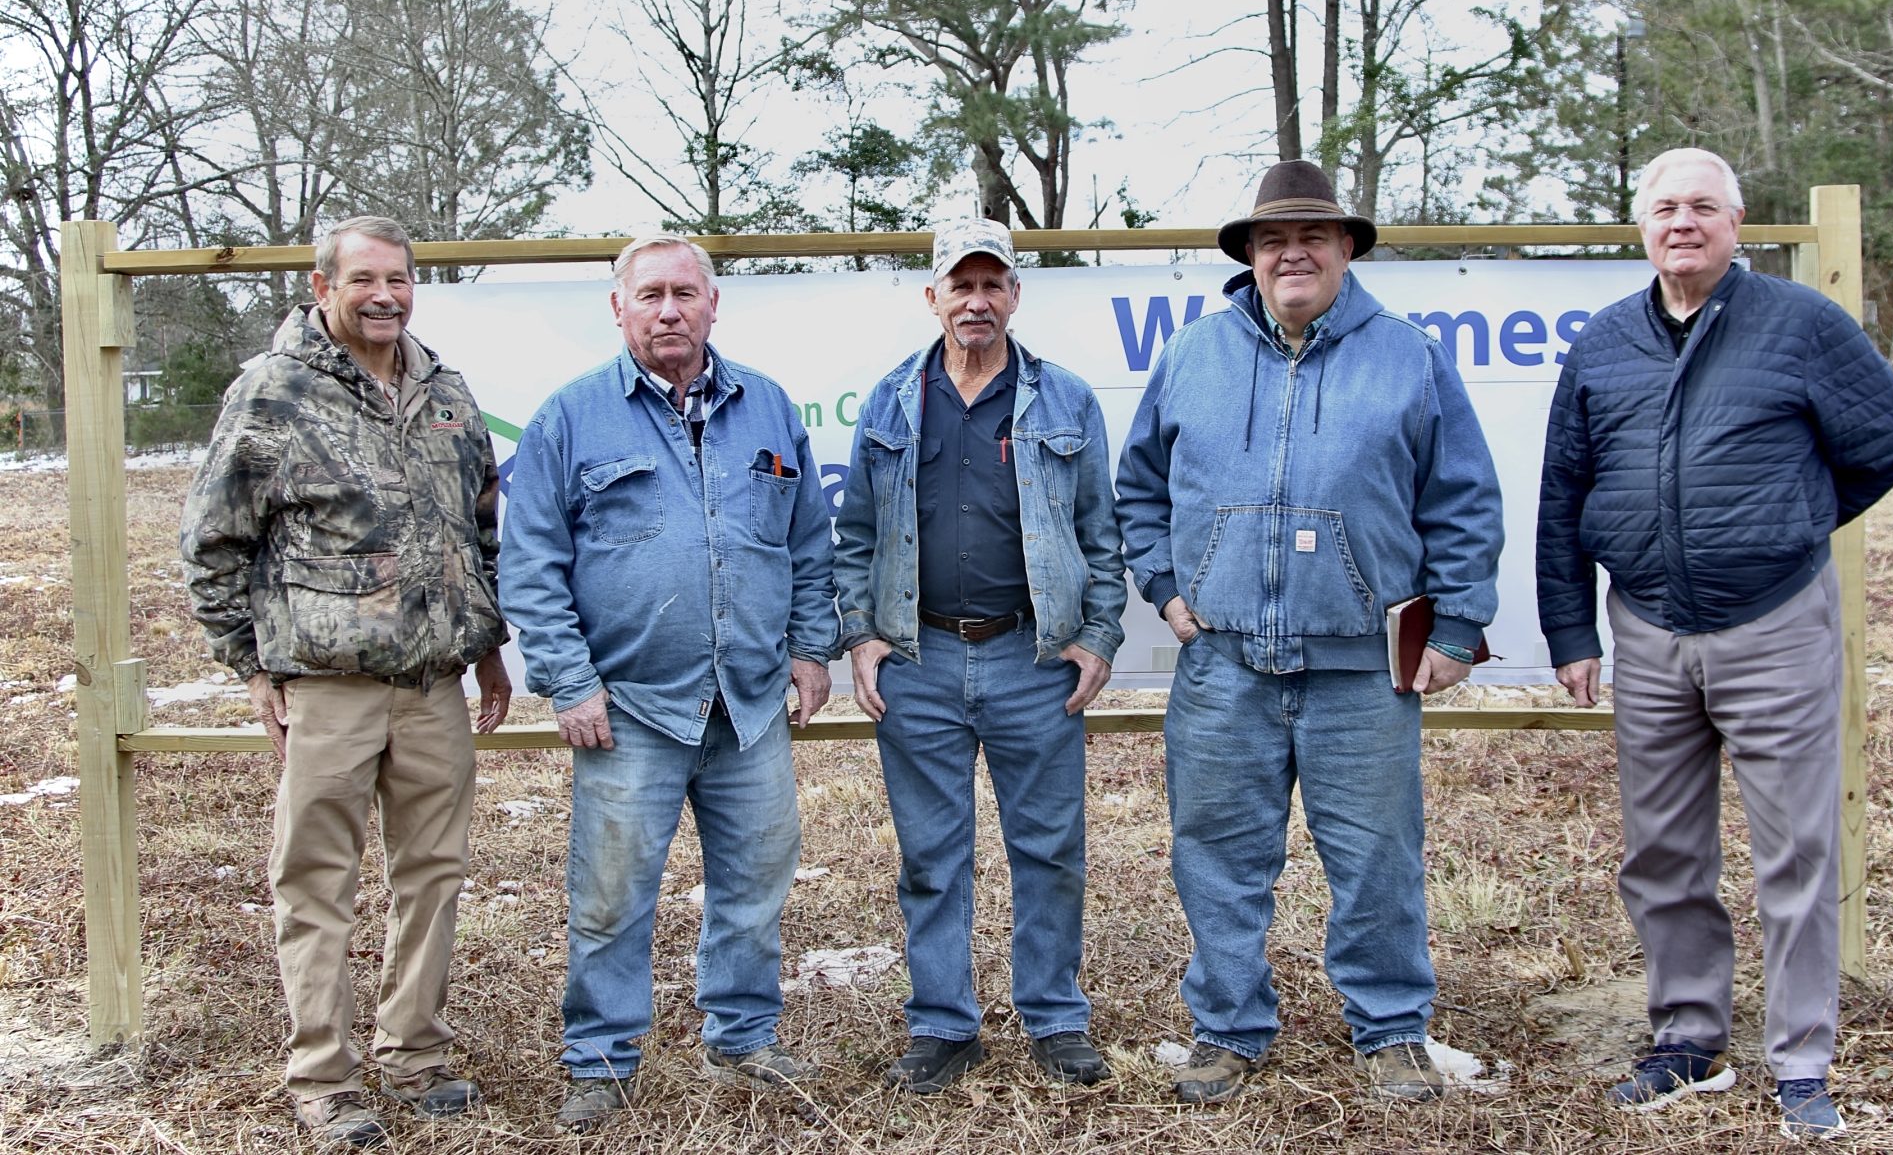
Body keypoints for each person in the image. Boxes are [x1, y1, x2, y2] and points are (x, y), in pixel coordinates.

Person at [1536, 147, 1893, 1140]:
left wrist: (1785, 524)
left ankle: (1800, 1060)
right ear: (1640, 227)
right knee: (1661, 853)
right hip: (1649, 630)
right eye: (1663, 209)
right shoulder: (1604, 344)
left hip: (1774, 628)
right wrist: (1569, 628)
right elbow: (1562, 493)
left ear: (1736, 221)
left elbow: (1883, 446)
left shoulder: (1800, 327)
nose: (1682, 224)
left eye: (1701, 207)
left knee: (1794, 852)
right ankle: (1685, 1041)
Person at [1115, 160, 1504, 1105]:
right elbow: (1137, 488)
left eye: (1313, 238)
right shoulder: (1192, 353)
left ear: (1345, 250)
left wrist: (1455, 624)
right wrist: (1168, 588)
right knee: (1215, 852)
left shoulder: (1408, 356)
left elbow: (1462, 500)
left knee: (1377, 856)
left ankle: (1392, 1027)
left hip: (1362, 667)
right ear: (1250, 257)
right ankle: (1227, 1025)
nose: (1293, 252)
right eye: (1272, 239)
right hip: (1225, 666)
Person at [181, 215, 512, 1150]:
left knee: (434, 875)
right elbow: (213, 540)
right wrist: (249, 663)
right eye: (364, 278)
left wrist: (486, 644)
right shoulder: (273, 391)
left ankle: (416, 1050)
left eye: (399, 279)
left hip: (434, 684)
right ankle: (325, 1077)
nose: (385, 295)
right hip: (327, 686)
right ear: (322, 285)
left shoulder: (444, 389)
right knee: (318, 883)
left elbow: (479, 527)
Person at [497, 234, 836, 1132]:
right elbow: (531, 563)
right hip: (629, 708)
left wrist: (810, 648)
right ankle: (602, 1059)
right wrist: (569, 682)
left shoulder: (765, 407)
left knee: (756, 883)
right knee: (611, 896)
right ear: (618, 308)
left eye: (685, 292)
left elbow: (807, 542)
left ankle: (744, 1032)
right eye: (649, 294)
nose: (669, 310)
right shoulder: (569, 418)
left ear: (714, 303)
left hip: (750, 702)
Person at [833, 218, 1127, 1092]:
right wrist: (862, 635)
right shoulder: (888, 401)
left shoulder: (1066, 400)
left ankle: (1055, 1017)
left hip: (1032, 660)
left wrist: (1098, 637)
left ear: (1015, 295)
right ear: (932, 297)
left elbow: (1100, 536)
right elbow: (852, 535)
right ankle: (943, 1024)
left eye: (992, 283)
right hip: (919, 661)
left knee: (1050, 849)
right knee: (932, 855)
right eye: (960, 285)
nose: (976, 300)